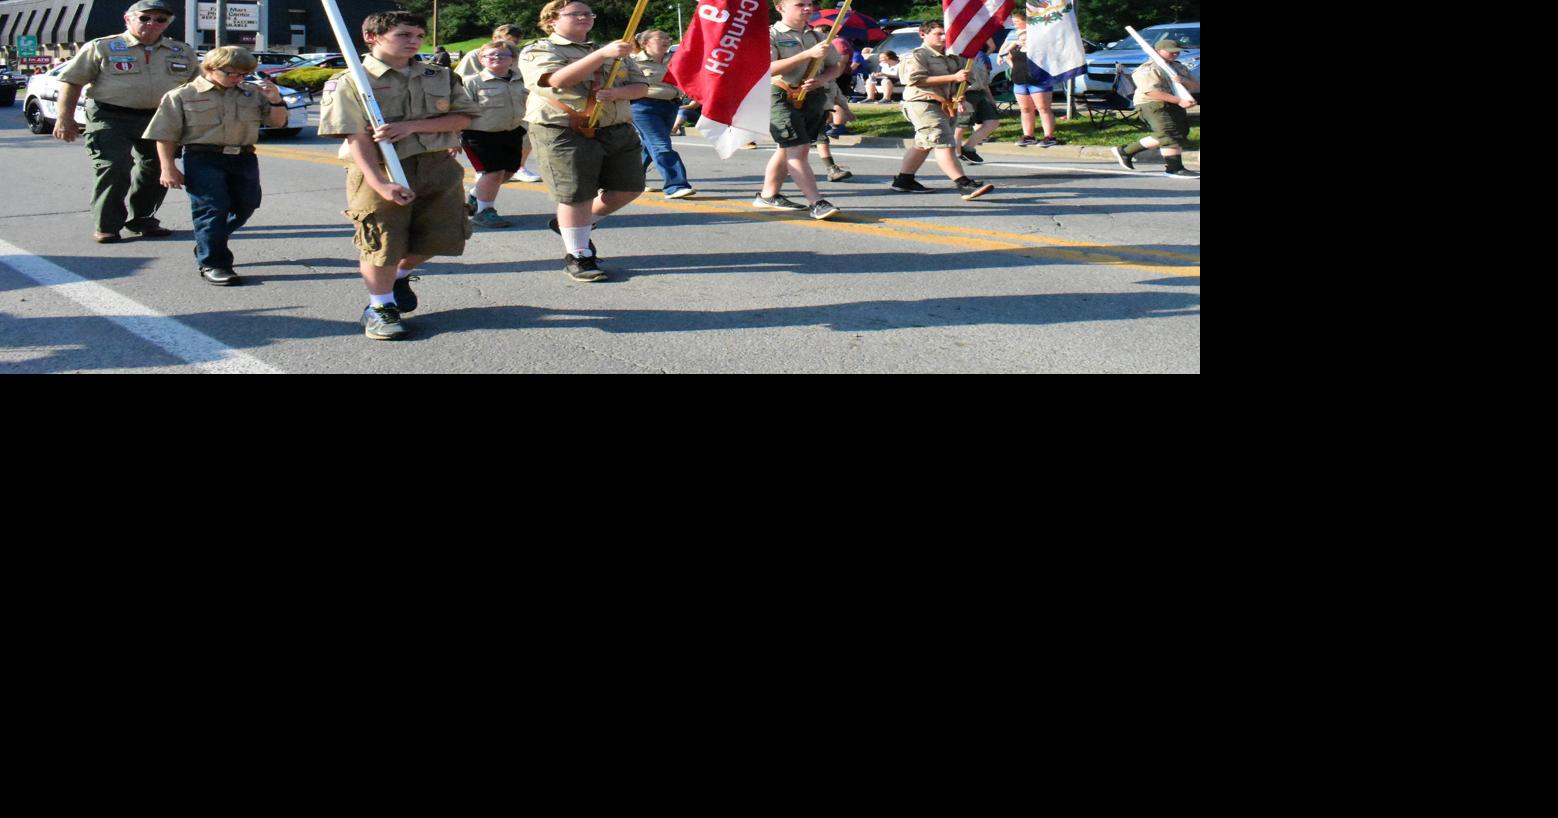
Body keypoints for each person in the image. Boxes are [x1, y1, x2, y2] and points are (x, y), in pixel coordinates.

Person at [317, 9, 479, 341]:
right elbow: (355, 136)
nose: (414, 42)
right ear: (371, 37)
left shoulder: (439, 75)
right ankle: (380, 308)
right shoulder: (351, 81)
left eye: (418, 36)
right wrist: (379, 183)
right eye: (404, 35)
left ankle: (400, 274)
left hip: (438, 165)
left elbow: (463, 118)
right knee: (382, 243)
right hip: (380, 169)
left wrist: (411, 126)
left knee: (446, 235)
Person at [520, 0, 649, 282]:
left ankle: (573, 225)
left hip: (615, 127)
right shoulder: (539, 49)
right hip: (565, 128)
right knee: (576, 193)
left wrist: (618, 93)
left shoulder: (614, 51)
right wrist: (602, 54)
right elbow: (557, 80)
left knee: (629, 188)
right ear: (552, 20)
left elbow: (641, 86)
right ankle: (578, 255)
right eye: (575, 13)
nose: (584, 17)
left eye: (588, 13)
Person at [53, 0, 198, 244]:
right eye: (145, 18)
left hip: (159, 118)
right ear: (128, 19)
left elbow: (199, 86)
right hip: (110, 116)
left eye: (160, 19)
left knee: (157, 169)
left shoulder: (181, 51)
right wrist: (64, 118)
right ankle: (107, 225)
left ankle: (142, 219)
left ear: (167, 24)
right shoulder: (103, 47)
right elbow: (72, 81)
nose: (152, 23)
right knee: (114, 167)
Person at [142, 46, 288, 286]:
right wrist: (167, 167)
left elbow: (278, 122)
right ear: (210, 68)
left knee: (246, 206)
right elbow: (165, 134)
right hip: (203, 157)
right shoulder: (182, 95)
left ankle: (207, 241)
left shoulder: (250, 93)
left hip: (243, 157)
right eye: (232, 73)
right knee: (212, 209)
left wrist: (275, 99)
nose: (238, 79)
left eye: (243, 74)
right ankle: (214, 262)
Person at [756, 0, 842, 221]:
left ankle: (767, 194)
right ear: (780, 7)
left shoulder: (820, 37)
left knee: (787, 148)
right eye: (799, 4)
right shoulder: (771, 35)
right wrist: (806, 55)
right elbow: (766, 68)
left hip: (812, 96)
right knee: (798, 148)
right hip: (780, 94)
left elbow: (836, 66)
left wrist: (820, 79)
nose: (807, 8)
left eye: (810, 4)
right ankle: (817, 202)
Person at [892, 19, 993, 200]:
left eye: (946, 33)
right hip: (922, 102)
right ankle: (963, 184)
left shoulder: (953, 55)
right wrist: (953, 77)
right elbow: (916, 80)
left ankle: (904, 180)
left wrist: (958, 92)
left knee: (924, 144)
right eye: (938, 33)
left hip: (945, 105)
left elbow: (963, 79)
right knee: (943, 142)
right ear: (923, 35)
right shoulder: (917, 55)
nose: (944, 37)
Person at [456, 24, 541, 184]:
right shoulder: (478, 55)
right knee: (491, 172)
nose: (511, 44)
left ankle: (518, 168)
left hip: (515, 114)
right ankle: (482, 196)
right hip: (486, 115)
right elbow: (460, 81)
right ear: (495, 39)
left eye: (515, 41)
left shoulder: (516, 56)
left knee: (518, 151)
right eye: (507, 40)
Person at [461, 40, 530, 227]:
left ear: (513, 60)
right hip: (480, 134)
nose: (496, 58)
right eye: (490, 55)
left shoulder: (521, 80)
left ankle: (476, 196)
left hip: (512, 132)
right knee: (493, 173)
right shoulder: (472, 82)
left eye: (503, 55)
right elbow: (460, 110)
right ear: (481, 60)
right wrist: (453, 136)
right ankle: (484, 212)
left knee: (508, 172)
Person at [1112, 39, 1200, 179]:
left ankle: (1126, 151)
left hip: (1174, 103)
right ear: (1158, 51)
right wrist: (1179, 100)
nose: (1175, 54)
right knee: (1168, 133)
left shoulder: (1178, 67)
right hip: (1151, 103)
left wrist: (1183, 81)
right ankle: (1174, 169)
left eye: (1177, 52)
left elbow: (1195, 86)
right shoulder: (1148, 69)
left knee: (1180, 133)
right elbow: (1151, 92)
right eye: (1171, 52)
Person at [629, 29, 696, 199]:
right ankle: (675, 185)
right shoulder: (632, 62)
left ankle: (628, 181)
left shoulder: (675, 59)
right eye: (660, 38)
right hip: (643, 107)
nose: (666, 40)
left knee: (648, 146)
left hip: (671, 105)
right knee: (661, 145)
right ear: (645, 43)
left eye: (668, 37)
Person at [998, 8, 1062, 148]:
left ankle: (1049, 136)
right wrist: (1012, 64)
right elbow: (1007, 56)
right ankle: (1028, 135)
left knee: (1043, 108)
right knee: (1025, 109)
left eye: (1025, 37)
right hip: (1020, 82)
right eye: (1021, 38)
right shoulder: (1017, 48)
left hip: (1038, 82)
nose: (1023, 39)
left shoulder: (1039, 49)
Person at [954, 39, 1000, 165]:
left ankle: (968, 148)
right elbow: (954, 82)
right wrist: (958, 100)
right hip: (965, 94)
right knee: (961, 126)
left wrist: (991, 99)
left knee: (992, 122)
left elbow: (985, 82)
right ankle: (956, 153)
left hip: (980, 93)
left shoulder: (979, 58)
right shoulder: (959, 58)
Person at [812, 82, 852, 182]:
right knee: (790, 145)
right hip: (792, 105)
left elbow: (837, 94)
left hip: (816, 107)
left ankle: (832, 169)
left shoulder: (829, 75)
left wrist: (847, 110)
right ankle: (783, 168)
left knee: (821, 137)